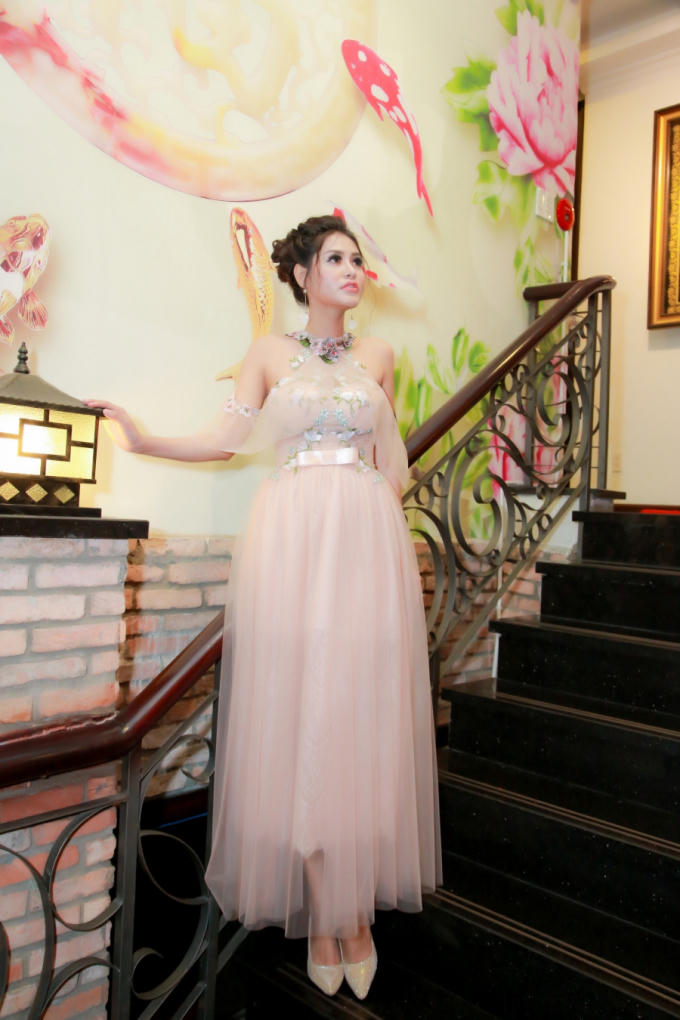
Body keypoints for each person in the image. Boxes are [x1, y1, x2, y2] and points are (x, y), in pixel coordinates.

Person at [86, 214, 442, 1001]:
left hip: (363, 545)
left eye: (357, 259)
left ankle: (353, 913)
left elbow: (393, 466)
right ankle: (322, 914)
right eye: (336, 259)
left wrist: (382, 544)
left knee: (357, 715)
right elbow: (225, 439)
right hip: (293, 545)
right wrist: (143, 439)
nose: (352, 270)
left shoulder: (381, 356)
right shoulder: (269, 355)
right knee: (305, 714)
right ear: (303, 275)